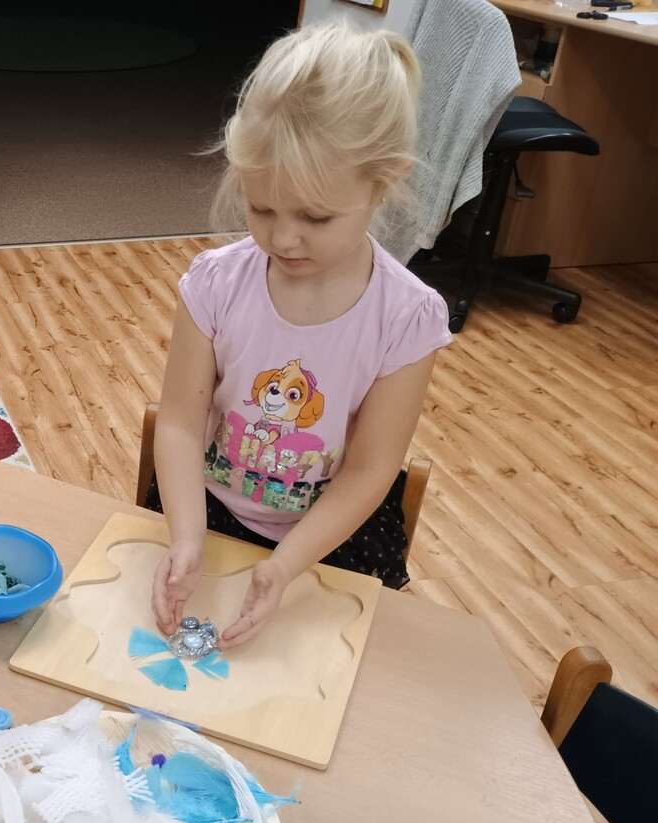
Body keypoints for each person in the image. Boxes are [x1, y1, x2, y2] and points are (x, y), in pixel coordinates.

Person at [149, 21, 451, 650]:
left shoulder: (407, 317)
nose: (283, 238)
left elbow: (370, 470)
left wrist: (285, 566)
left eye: (315, 216)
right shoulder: (215, 284)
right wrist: (187, 537)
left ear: (384, 182)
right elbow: (178, 422)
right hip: (206, 511)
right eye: (261, 207)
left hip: (329, 538)